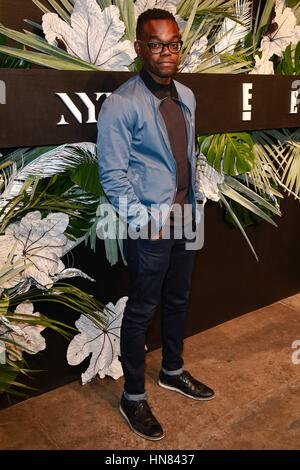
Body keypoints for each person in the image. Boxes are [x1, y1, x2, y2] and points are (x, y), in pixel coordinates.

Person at [97, 8, 215, 441]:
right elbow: (112, 174)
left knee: (179, 298)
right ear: (139, 49)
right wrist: (144, 221)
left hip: (187, 216)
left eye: (173, 44)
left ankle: (172, 370)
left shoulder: (187, 94)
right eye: (156, 44)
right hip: (151, 225)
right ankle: (132, 396)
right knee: (142, 309)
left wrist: (194, 203)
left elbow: (186, 154)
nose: (167, 53)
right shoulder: (122, 104)